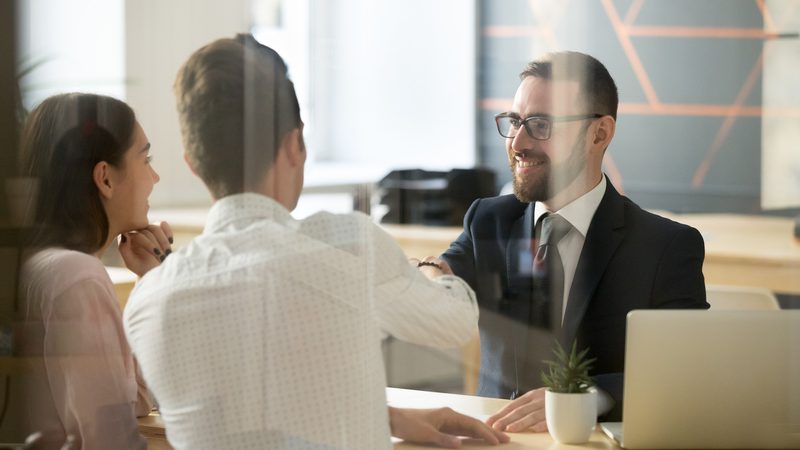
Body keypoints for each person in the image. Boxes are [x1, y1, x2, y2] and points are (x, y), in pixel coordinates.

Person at [122, 35, 508, 450]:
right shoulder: (347, 244)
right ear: (294, 143)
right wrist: (432, 271)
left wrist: (386, 417)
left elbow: (248, 415)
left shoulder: (147, 302)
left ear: (192, 164)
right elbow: (455, 322)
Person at [438, 51, 708, 430]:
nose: (517, 143)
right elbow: (445, 274)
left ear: (599, 133)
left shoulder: (665, 246)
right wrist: (429, 274)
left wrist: (585, 396)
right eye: (515, 121)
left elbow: (686, 370)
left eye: (541, 125)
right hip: (494, 439)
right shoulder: (488, 219)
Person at [16, 93, 173, 448]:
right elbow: (110, 439)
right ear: (104, 178)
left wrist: (150, 280)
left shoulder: (40, 264)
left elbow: (133, 401)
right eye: (145, 158)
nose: (155, 176)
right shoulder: (77, 276)